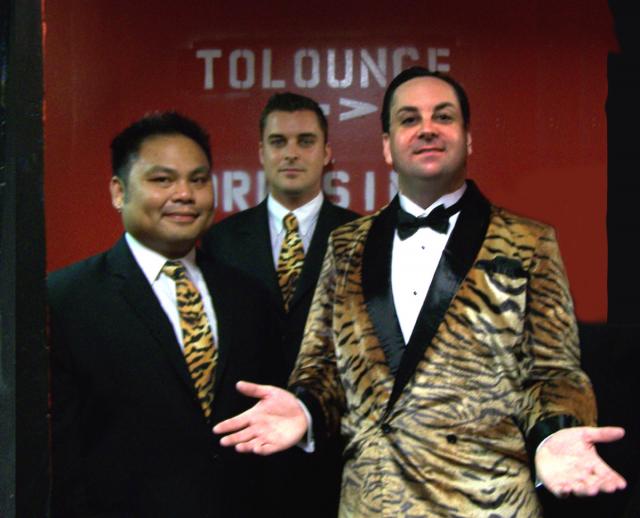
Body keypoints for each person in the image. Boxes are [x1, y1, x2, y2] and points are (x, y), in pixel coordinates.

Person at [213, 68, 627, 517]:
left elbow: (553, 373)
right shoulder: (346, 245)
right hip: (373, 502)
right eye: (409, 119)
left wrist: (553, 435)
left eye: (443, 116)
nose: (427, 128)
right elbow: (323, 367)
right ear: (387, 146)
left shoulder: (529, 242)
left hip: (488, 501)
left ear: (468, 138)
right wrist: (305, 408)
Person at [49, 112, 282, 517]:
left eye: (199, 180)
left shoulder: (249, 296)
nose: (185, 194)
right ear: (118, 191)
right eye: (162, 180)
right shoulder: (65, 298)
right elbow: (60, 451)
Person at [202, 92, 358, 517]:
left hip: (333, 453)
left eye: (305, 141)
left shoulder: (361, 237)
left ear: (327, 153)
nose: (291, 153)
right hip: (244, 455)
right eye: (278, 142)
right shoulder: (220, 241)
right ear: (261, 152)